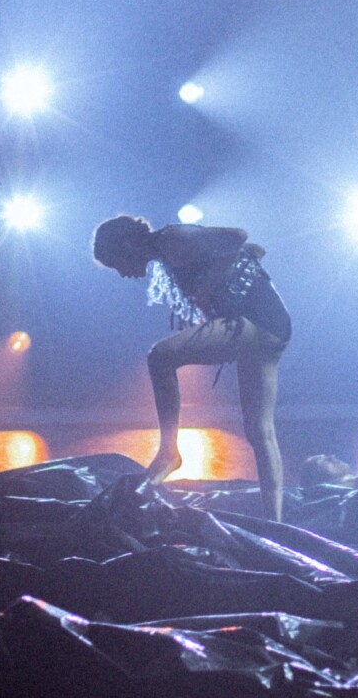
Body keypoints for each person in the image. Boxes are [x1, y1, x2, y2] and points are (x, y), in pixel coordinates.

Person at [92, 215, 291, 521]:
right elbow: (254, 249)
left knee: (160, 357)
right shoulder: (165, 253)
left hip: (254, 324)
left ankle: (169, 452)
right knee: (260, 432)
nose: (121, 274)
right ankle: (276, 523)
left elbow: (238, 234)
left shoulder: (173, 238)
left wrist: (209, 287)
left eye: (116, 263)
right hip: (274, 328)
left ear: (127, 245)